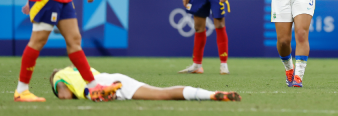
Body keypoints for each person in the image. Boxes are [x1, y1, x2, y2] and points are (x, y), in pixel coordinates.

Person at [50, 66, 241, 101]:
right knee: (162, 93)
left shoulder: (60, 77)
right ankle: (209, 94)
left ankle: (100, 94)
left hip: (97, 87)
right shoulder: (78, 69)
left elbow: (65, 93)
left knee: (161, 94)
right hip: (112, 78)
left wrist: (58, 89)